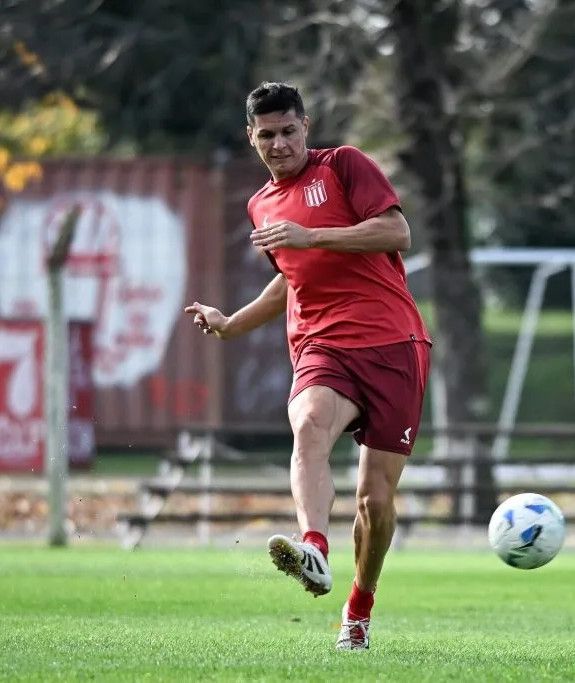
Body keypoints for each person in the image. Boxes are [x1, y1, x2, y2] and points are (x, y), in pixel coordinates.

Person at [184, 81, 432, 651]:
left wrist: (310, 233)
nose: (279, 144)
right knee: (309, 422)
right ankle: (314, 549)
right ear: (251, 137)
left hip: (394, 345)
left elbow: (397, 231)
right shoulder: (260, 204)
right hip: (322, 345)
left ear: (306, 126)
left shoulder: (344, 166)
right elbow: (291, 279)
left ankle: (358, 610)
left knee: (374, 499)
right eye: (266, 135)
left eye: (288, 131)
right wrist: (231, 323)